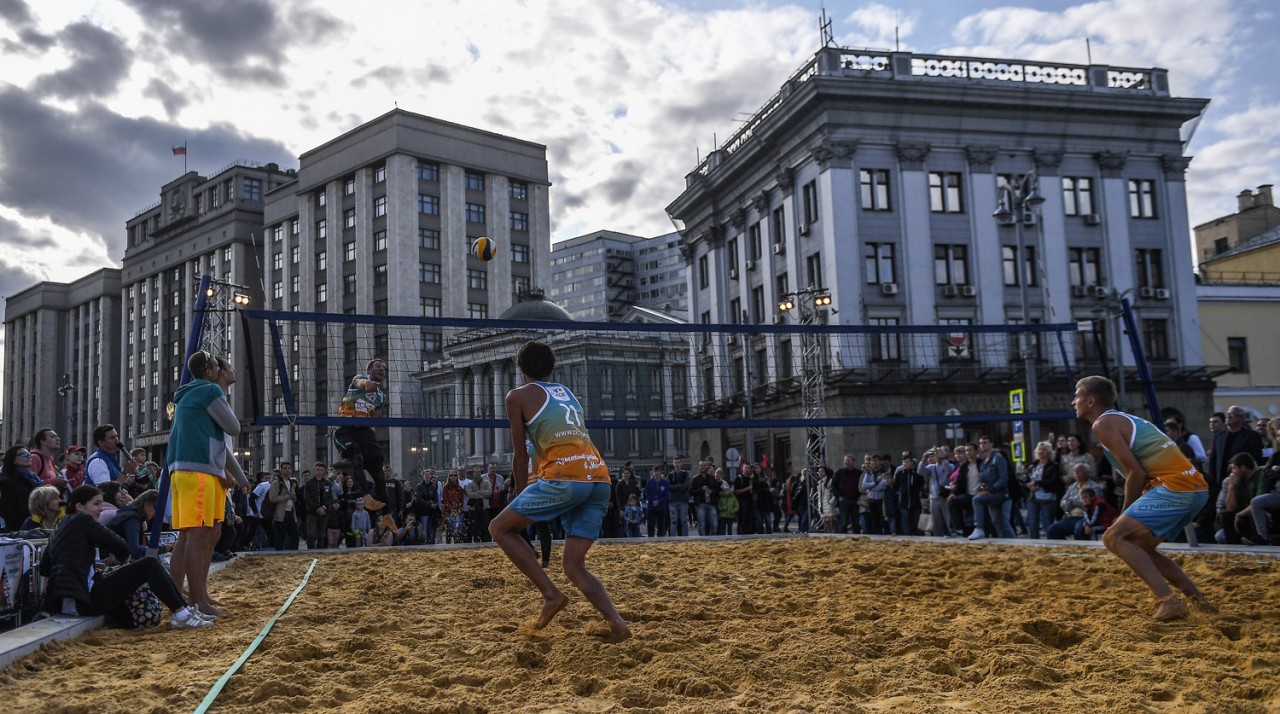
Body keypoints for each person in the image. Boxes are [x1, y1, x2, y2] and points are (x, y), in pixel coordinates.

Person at [489, 340, 630, 641]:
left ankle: (551, 595)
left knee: (499, 528)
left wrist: (517, 491)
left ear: (521, 369)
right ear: (552, 367)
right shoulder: (567, 394)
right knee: (573, 565)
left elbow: (520, 454)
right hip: (599, 479)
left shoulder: (517, 396)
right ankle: (617, 624)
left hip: (567, 478)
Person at [1073, 375, 1215, 622]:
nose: (1073, 401)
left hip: (1175, 487)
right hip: (1194, 487)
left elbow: (1135, 473)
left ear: (1091, 400)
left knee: (1113, 536)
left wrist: (1124, 513)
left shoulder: (1102, 424)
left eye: (1077, 395)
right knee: (1141, 547)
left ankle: (1169, 602)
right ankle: (1201, 604)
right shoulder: (1124, 419)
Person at [38, 485, 211, 628]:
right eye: (96, 504)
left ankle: (184, 610)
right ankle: (181, 612)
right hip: (82, 601)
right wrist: (120, 560)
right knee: (149, 564)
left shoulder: (59, 527)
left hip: (63, 602)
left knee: (143, 567)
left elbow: (45, 567)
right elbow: (122, 547)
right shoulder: (84, 521)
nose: (100, 509)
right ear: (79, 506)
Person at [167, 350, 240, 617]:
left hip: (191, 468)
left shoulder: (190, 393)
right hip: (198, 468)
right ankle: (197, 601)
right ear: (212, 371)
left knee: (198, 535)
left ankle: (187, 594)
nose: (231, 370)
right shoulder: (209, 392)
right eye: (224, 366)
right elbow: (233, 428)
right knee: (198, 535)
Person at [334, 358, 389, 507]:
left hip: (364, 431)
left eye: (384, 368)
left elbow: (376, 415)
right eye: (378, 366)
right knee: (357, 456)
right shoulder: (358, 379)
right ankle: (366, 496)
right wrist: (368, 384)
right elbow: (363, 384)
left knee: (378, 468)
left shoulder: (381, 397)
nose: (382, 369)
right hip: (346, 429)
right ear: (369, 370)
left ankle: (387, 515)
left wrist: (375, 415)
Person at [0, 444, 41, 532]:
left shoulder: (34, 479)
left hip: (36, 524)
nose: (28, 457)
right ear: (13, 460)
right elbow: (6, 509)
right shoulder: (8, 481)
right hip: (19, 529)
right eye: (23, 455)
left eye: (29, 454)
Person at [667, 457, 690, 537]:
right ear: (673, 464)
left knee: (684, 521)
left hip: (683, 500)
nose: (677, 464)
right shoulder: (670, 475)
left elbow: (686, 486)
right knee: (673, 521)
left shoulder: (685, 474)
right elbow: (669, 487)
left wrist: (675, 487)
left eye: (678, 462)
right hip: (673, 501)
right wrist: (680, 486)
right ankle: (673, 539)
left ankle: (685, 539)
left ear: (681, 463)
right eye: (675, 462)